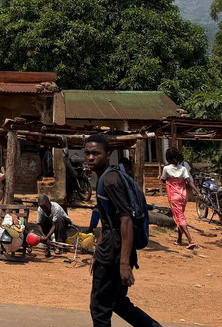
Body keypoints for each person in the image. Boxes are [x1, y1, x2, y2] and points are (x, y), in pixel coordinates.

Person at [84, 132, 163, 327]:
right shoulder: (107, 178)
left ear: (108, 154)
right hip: (110, 248)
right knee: (118, 302)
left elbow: (125, 220)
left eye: (96, 153)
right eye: (87, 153)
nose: (91, 157)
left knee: (100, 309)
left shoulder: (110, 181)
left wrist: (124, 264)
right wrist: (97, 250)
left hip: (114, 252)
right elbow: (108, 220)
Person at [160, 147, 199, 249]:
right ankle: (179, 240)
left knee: (180, 217)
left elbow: (163, 179)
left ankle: (190, 240)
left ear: (168, 159)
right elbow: (189, 181)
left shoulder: (166, 169)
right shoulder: (183, 169)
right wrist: (198, 193)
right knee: (179, 216)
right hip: (183, 196)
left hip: (174, 196)